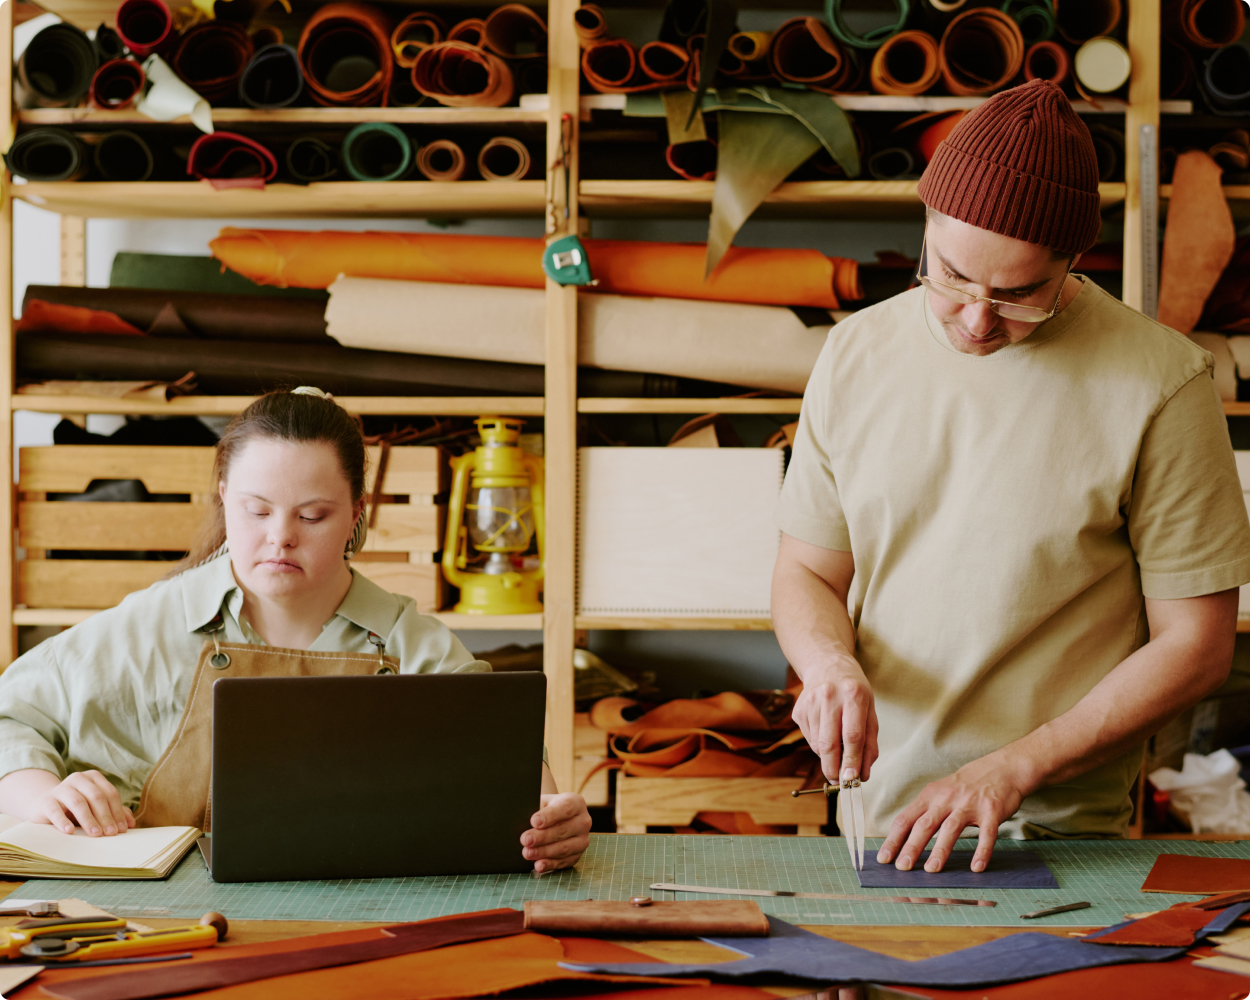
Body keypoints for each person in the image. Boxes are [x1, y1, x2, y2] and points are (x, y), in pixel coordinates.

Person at [771, 79, 1250, 873]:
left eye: (1020, 293)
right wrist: (827, 663)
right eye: (952, 275)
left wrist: (1014, 768)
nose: (977, 318)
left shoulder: (1162, 383)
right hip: (876, 817)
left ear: (1072, 261)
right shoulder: (854, 354)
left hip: (1058, 831)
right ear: (925, 224)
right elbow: (806, 572)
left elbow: (1196, 645)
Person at [0, 387, 591, 873]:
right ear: (225, 496)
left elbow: (523, 792)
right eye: (256, 510)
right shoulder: (147, 627)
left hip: (365, 922)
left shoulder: (417, 648)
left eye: (313, 515)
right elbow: (9, 714)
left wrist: (555, 824)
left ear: (358, 513)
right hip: (162, 917)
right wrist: (42, 795)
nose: (280, 536)